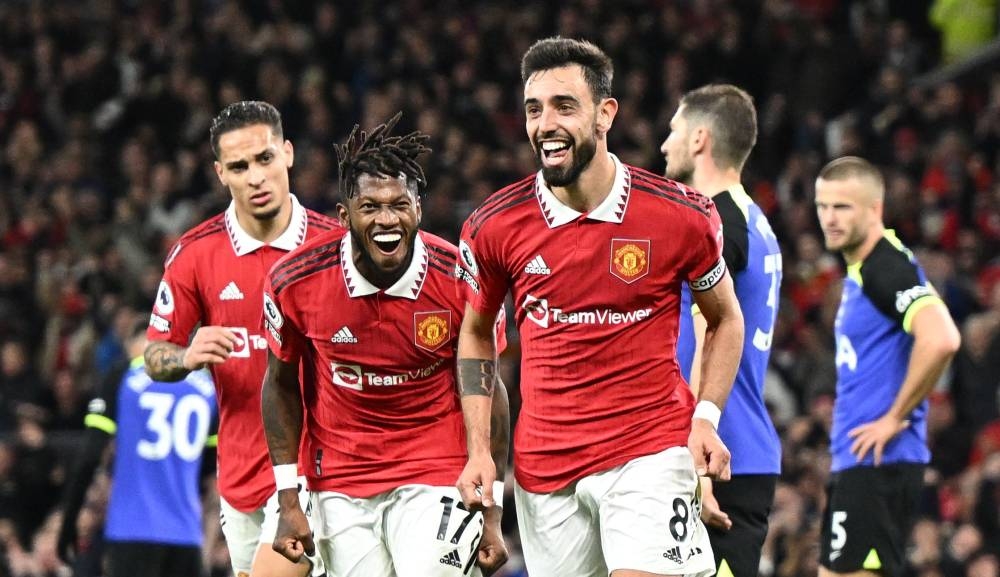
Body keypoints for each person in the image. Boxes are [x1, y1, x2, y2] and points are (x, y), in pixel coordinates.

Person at [454, 37, 745, 577]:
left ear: (605, 113)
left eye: (565, 106)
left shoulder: (681, 216)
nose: (546, 124)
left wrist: (706, 417)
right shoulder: (494, 225)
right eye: (534, 109)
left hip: (649, 451)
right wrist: (479, 450)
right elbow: (475, 333)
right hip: (545, 471)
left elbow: (726, 317)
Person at [260, 113, 510, 577]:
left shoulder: (459, 278)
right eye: (370, 207)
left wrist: (491, 510)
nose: (387, 219)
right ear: (344, 216)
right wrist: (288, 496)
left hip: (438, 471)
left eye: (399, 204)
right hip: (338, 480)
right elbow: (278, 384)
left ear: (420, 208)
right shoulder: (294, 281)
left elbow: (491, 388)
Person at [143, 100, 339, 577]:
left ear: (288, 154)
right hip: (240, 476)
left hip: (318, 470)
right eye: (239, 166)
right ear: (220, 173)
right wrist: (186, 356)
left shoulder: (335, 246)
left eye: (265, 159)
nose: (255, 177)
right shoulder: (195, 254)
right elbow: (154, 354)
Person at [814, 156, 961, 577]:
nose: (829, 218)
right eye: (822, 206)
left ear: (874, 209)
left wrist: (895, 416)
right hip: (861, 462)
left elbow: (942, 337)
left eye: (842, 207)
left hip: (877, 463)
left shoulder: (885, 267)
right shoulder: (867, 268)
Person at [663, 84, 782, 577]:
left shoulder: (719, 223)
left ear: (699, 139)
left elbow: (711, 326)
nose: (664, 144)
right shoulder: (753, 220)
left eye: (673, 131)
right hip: (738, 449)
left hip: (717, 457)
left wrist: (696, 446)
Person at [57, 317, 218, 577]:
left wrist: (69, 521)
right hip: (186, 534)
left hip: (132, 529)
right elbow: (210, 471)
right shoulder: (206, 386)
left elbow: (89, 457)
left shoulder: (122, 375)